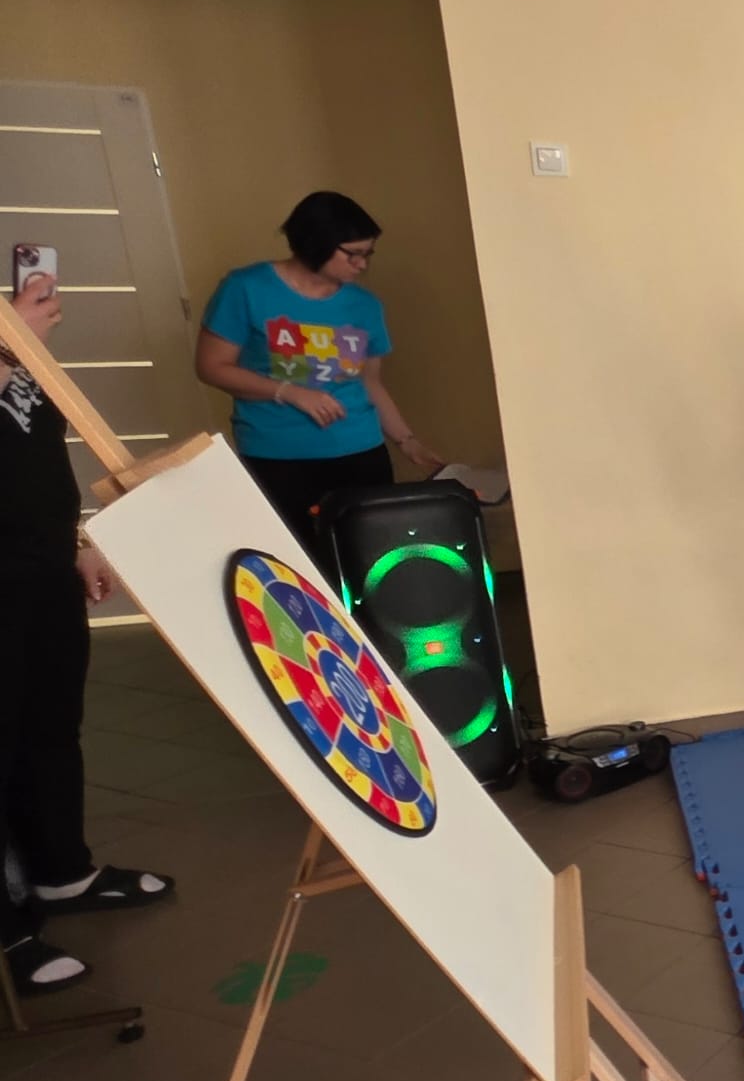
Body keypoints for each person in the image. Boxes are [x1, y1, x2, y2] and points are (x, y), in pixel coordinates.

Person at [1, 273, 176, 995]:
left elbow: (33, 454)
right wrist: (7, 347)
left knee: (48, 725)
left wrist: (75, 541)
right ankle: (9, 934)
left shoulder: (12, 337)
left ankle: (63, 873)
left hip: (39, 568)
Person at [195, 192, 442, 566]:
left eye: (368, 254)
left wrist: (408, 442)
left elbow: (371, 383)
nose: (362, 264)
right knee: (293, 566)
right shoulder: (246, 288)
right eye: (352, 254)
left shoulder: (365, 306)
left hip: (360, 453)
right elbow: (212, 366)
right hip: (278, 456)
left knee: (370, 563)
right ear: (315, 242)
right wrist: (289, 392)